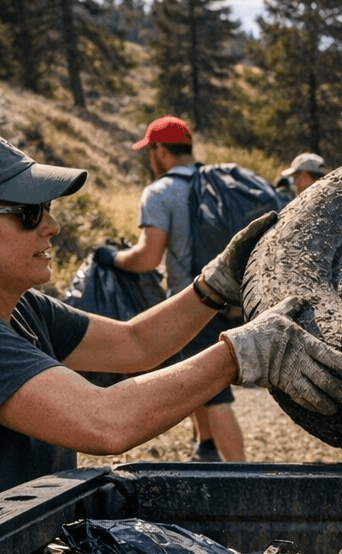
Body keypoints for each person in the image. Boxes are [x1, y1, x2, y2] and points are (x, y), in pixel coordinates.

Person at [0, 129, 342, 549]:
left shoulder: (20, 307)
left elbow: (138, 345)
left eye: (45, 207)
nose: (50, 226)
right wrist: (240, 354)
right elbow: (106, 422)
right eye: (28, 214)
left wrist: (212, 285)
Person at [103, 115, 242, 462]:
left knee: (216, 393)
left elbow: (147, 259)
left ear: (160, 152)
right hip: (237, 298)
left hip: (195, 302)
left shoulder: (160, 192)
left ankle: (243, 472)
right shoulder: (219, 184)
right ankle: (205, 446)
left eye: (149, 152)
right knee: (196, 379)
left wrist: (112, 258)